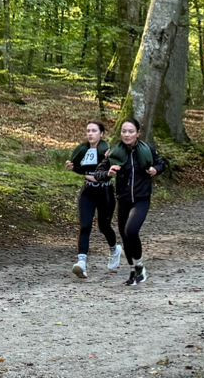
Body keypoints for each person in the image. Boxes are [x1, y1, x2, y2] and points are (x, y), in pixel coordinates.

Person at [108, 117, 161, 287]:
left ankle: (140, 266)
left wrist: (156, 169)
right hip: (123, 199)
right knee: (124, 236)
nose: (127, 134)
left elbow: (162, 163)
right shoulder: (115, 152)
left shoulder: (147, 150)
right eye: (124, 131)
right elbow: (102, 169)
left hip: (141, 199)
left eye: (131, 131)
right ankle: (133, 270)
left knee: (131, 231)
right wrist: (108, 172)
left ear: (138, 133)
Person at [65, 119, 121, 278]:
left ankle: (114, 249)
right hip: (88, 192)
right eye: (88, 130)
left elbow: (115, 167)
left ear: (101, 134)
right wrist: (72, 167)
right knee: (85, 225)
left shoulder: (107, 150)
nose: (90, 133)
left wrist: (111, 161)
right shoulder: (82, 150)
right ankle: (81, 263)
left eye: (94, 131)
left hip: (105, 193)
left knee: (104, 226)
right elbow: (82, 169)